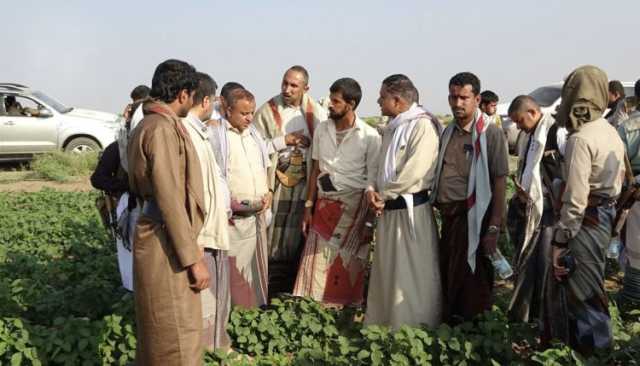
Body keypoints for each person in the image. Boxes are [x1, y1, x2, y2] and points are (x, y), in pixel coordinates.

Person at [127, 59, 208, 365]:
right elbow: (170, 198)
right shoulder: (160, 128)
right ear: (184, 94)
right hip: (166, 242)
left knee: (164, 334)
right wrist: (193, 259)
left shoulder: (151, 123)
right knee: (175, 339)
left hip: (163, 237)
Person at [549, 65, 624, 354]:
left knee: (584, 291)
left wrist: (560, 239)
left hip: (586, 221)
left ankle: (596, 354)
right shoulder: (608, 130)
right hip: (604, 216)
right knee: (594, 284)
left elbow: (576, 200)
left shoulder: (580, 139)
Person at [293, 78, 381, 306]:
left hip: (354, 211)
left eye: (336, 101)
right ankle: (312, 312)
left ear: (351, 104)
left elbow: (372, 180)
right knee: (315, 264)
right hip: (323, 206)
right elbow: (316, 170)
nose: (330, 105)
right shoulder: (323, 129)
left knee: (348, 263)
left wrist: (369, 223)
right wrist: (308, 207)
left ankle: (344, 315)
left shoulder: (370, 136)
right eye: (330, 99)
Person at [364, 74, 443, 328]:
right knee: (388, 273)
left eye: (382, 96)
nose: (378, 101)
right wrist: (372, 189)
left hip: (410, 213)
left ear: (396, 100)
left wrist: (384, 195)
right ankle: (384, 326)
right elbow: (380, 166)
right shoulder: (393, 126)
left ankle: (414, 328)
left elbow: (415, 171)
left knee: (412, 276)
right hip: (388, 211)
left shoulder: (422, 126)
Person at [433, 72, 509, 325]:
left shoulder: (491, 134)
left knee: (474, 276)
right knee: (451, 271)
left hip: (477, 216)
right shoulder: (447, 132)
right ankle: (454, 321)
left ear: (477, 99)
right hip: (451, 216)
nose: (458, 103)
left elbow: (499, 181)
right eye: (453, 97)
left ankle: (475, 327)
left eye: (464, 97)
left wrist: (495, 225)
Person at [253, 65, 328, 295]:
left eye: (293, 85)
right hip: (275, 184)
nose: (287, 89)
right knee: (271, 236)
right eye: (285, 83)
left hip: (304, 186)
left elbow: (323, 150)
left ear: (306, 88)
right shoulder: (267, 112)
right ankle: (267, 289)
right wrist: (285, 140)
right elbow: (255, 147)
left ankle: (292, 289)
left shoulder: (316, 113)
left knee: (298, 234)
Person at [181, 72, 232, 351]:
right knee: (203, 303)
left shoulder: (199, 131)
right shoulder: (185, 133)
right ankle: (205, 353)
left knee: (215, 301)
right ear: (205, 100)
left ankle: (215, 347)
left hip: (212, 232)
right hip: (200, 237)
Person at [505, 96, 563, 327]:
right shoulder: (529, 136)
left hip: (550, 214)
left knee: (546, 266)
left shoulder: (556, 132)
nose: (518, 126)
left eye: (519, 121)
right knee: (530, 264)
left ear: (532, 111)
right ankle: (531, 317)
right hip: (532, 210)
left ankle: (546, 319)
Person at [221, 88, 271, 308]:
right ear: (228, 110)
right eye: (243, 113)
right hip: (232, 221)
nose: (250, 118)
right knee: (232, 274)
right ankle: (231, 321)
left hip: (255, 217)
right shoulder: (218, 136)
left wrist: (267, 192)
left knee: (251, 272)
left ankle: (248, 316)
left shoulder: (253, 135)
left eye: (251, 112)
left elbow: (264, 165)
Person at [616, 87, 640, 305]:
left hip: (636, 196)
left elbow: (619, 167)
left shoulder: (628, 126)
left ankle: (633, 302)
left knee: (636, 252)